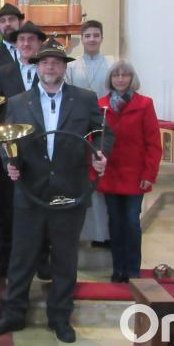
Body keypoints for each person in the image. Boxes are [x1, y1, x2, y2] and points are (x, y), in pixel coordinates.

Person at [0, 43, 112, 344]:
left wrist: (100, 153)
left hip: (70, 190)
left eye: (56, 62)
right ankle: (13, 313)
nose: (50, 67)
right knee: (22, 257)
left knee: (65, 259)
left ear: (64, 67)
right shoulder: (19, 102)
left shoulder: (84, 99)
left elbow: (102, 133)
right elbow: (7, 142)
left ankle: (60, 317)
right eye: (44, 63)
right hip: (31, 191)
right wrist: (9, 164)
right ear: (36, 67)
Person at [0, 21, 45, 274]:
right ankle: (10, 259)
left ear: (39, 43)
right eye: (21, 40)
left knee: (40, 205)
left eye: (31, 39)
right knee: (10, 206)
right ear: (15, 44)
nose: (26, 44)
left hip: (41, 148)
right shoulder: (3, 72)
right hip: (11, 149)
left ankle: (42, 260)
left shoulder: (49, 70)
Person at [96, 61, 161, 283]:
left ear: (132, 78)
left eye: (125, 75)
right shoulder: (101, 105)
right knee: (115, 222)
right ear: (110, 79)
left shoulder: (144, 104)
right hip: (111, 174)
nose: (121, 79)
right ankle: (118, 269)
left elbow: (153, 142)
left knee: (132, 222)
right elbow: (95, 139)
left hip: (135, 174)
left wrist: (149, 174)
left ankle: (133, 269)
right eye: (116, 75)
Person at [66, 20, 115, 248]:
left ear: (102, 38)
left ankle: (104, 235)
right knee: (86, 181)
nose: (92, 39)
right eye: (88, 36)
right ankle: (86, 233)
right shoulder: (72, 66)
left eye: (96, 35)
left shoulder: (112, 63)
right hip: (80, 127)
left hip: (106, 122)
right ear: (82, 38)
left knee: (104, 182)